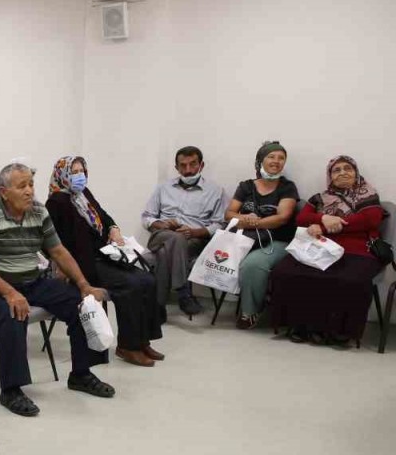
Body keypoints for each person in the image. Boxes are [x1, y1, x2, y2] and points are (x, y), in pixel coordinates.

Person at [0, 163, 113, 417]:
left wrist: (83, 285)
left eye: (31, 185)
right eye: (21, 186)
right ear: (4, 192)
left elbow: (58, 251)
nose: (29, 191)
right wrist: (10, 293)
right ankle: (11, 390)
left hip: (31, 280)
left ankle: (81, 373)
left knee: (81, 305)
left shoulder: (38, 211)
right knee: (14, 312)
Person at [46, 157, 163, 367]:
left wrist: (113, 228)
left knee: (147, 279)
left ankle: (142, 341)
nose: (80, 176)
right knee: (131, 284)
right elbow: (55, 244)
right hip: (83, 264)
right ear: (62, 175)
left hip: (104, 255)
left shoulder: (83, 194)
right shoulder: (56, 202)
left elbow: (104, 216)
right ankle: (127, 346)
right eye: (73, 172)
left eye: (82, 170)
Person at [268, 156, 386, 344]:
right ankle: (300, 325)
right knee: (285, 271)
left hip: (357, 248)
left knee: (349, 278)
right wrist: (323, 218)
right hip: (321, 245)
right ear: (330, 176)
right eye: (336, 170)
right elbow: (301, 219)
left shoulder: (368, 194)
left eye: (348, 168)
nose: (343, 173)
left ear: (356, 172)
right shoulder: (319, 197)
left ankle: (338, 331)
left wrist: (323, 225)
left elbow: (370, 220)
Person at [141, 146, 228, 317]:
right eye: (183, 165)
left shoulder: (216, 191)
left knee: (166, 252)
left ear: (201, 165)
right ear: (177, 168)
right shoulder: (163, 188)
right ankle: (183, 292)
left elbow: (221, 224)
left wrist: (195, 232)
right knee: (175, 238)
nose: (188, 170)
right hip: (161, 235)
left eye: (192, 164)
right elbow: (146, 217)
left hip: (194, 240)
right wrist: (162, 224)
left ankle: (158, 306)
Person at [224, 141, 300, 329]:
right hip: (246, 238)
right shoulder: (246, 186)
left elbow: (282, 218)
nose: (276, 161)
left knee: (252, 265)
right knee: (220, 255)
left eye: (281, 158)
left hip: (277, 241)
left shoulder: (287, 187)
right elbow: (229, 214)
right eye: (271, 157)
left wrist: (254, 221)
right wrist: (245, 218)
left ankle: (250, 312)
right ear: (260, 161)